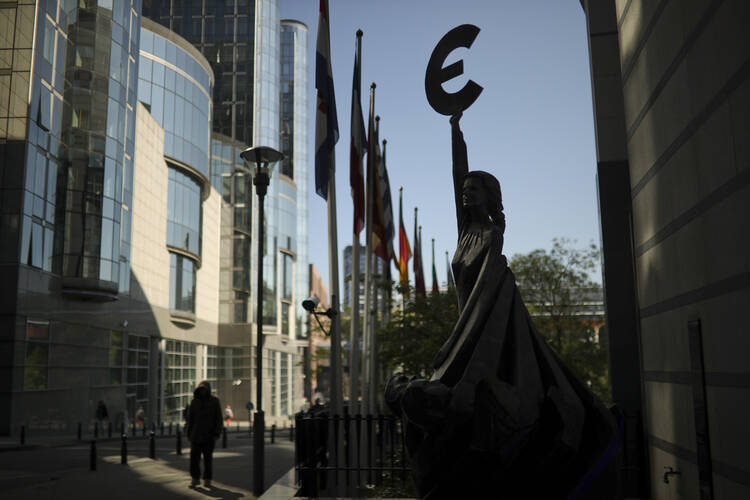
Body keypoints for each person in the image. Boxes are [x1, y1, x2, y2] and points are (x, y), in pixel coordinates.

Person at [385, 112, 619, 499]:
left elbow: (488, 302)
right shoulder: (464, 231)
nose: (466, 192)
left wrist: (463, 356)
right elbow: (456, 172)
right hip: (465, 326)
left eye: (474, 189)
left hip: (485, 330)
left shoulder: (492, 236)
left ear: (489, 196)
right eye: (465, 189)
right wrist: (455, 132)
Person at [186, 381, 223, 488]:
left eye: (204, 389)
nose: (202, 392)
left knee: (208, 460)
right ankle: (195, 478)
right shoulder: (194, 402)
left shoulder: (214, 401)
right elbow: (190, 419)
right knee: (194, 460)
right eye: (200, 389)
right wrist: (189, 432)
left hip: (209, 436)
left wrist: (216, 433)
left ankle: (207, 479)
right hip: (196, 435)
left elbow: (218, 419)